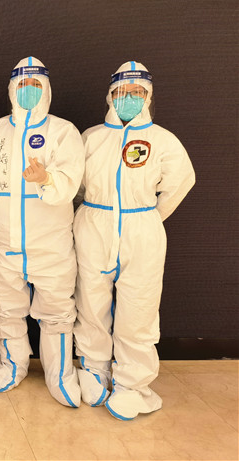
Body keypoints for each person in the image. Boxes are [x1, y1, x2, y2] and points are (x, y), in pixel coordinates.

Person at [73, 61, 195, 420]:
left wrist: (148, 218)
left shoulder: (162, 140)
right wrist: (92, 214)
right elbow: (75, 184)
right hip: (94, 222)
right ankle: (93, 368)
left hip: (141, 227)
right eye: (122, 92)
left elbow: (180, 182)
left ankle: (133, 383)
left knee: (138, 306)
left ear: (148, 96)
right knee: (90, 299)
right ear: (110, 95)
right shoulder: (91, 137)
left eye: (137, 92)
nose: (129, 98)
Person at [0, 57, 85, 407]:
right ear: (12, 89)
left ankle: (60, 375)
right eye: (22, 85)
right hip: (4, 244)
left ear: (47, 89)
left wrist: (45, 179)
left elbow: (69, 184)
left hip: (50, 245)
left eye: (35, 85)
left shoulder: (63, 131)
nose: (28, 91)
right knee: (6, 308)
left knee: (57, 310)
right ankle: (12, 365)